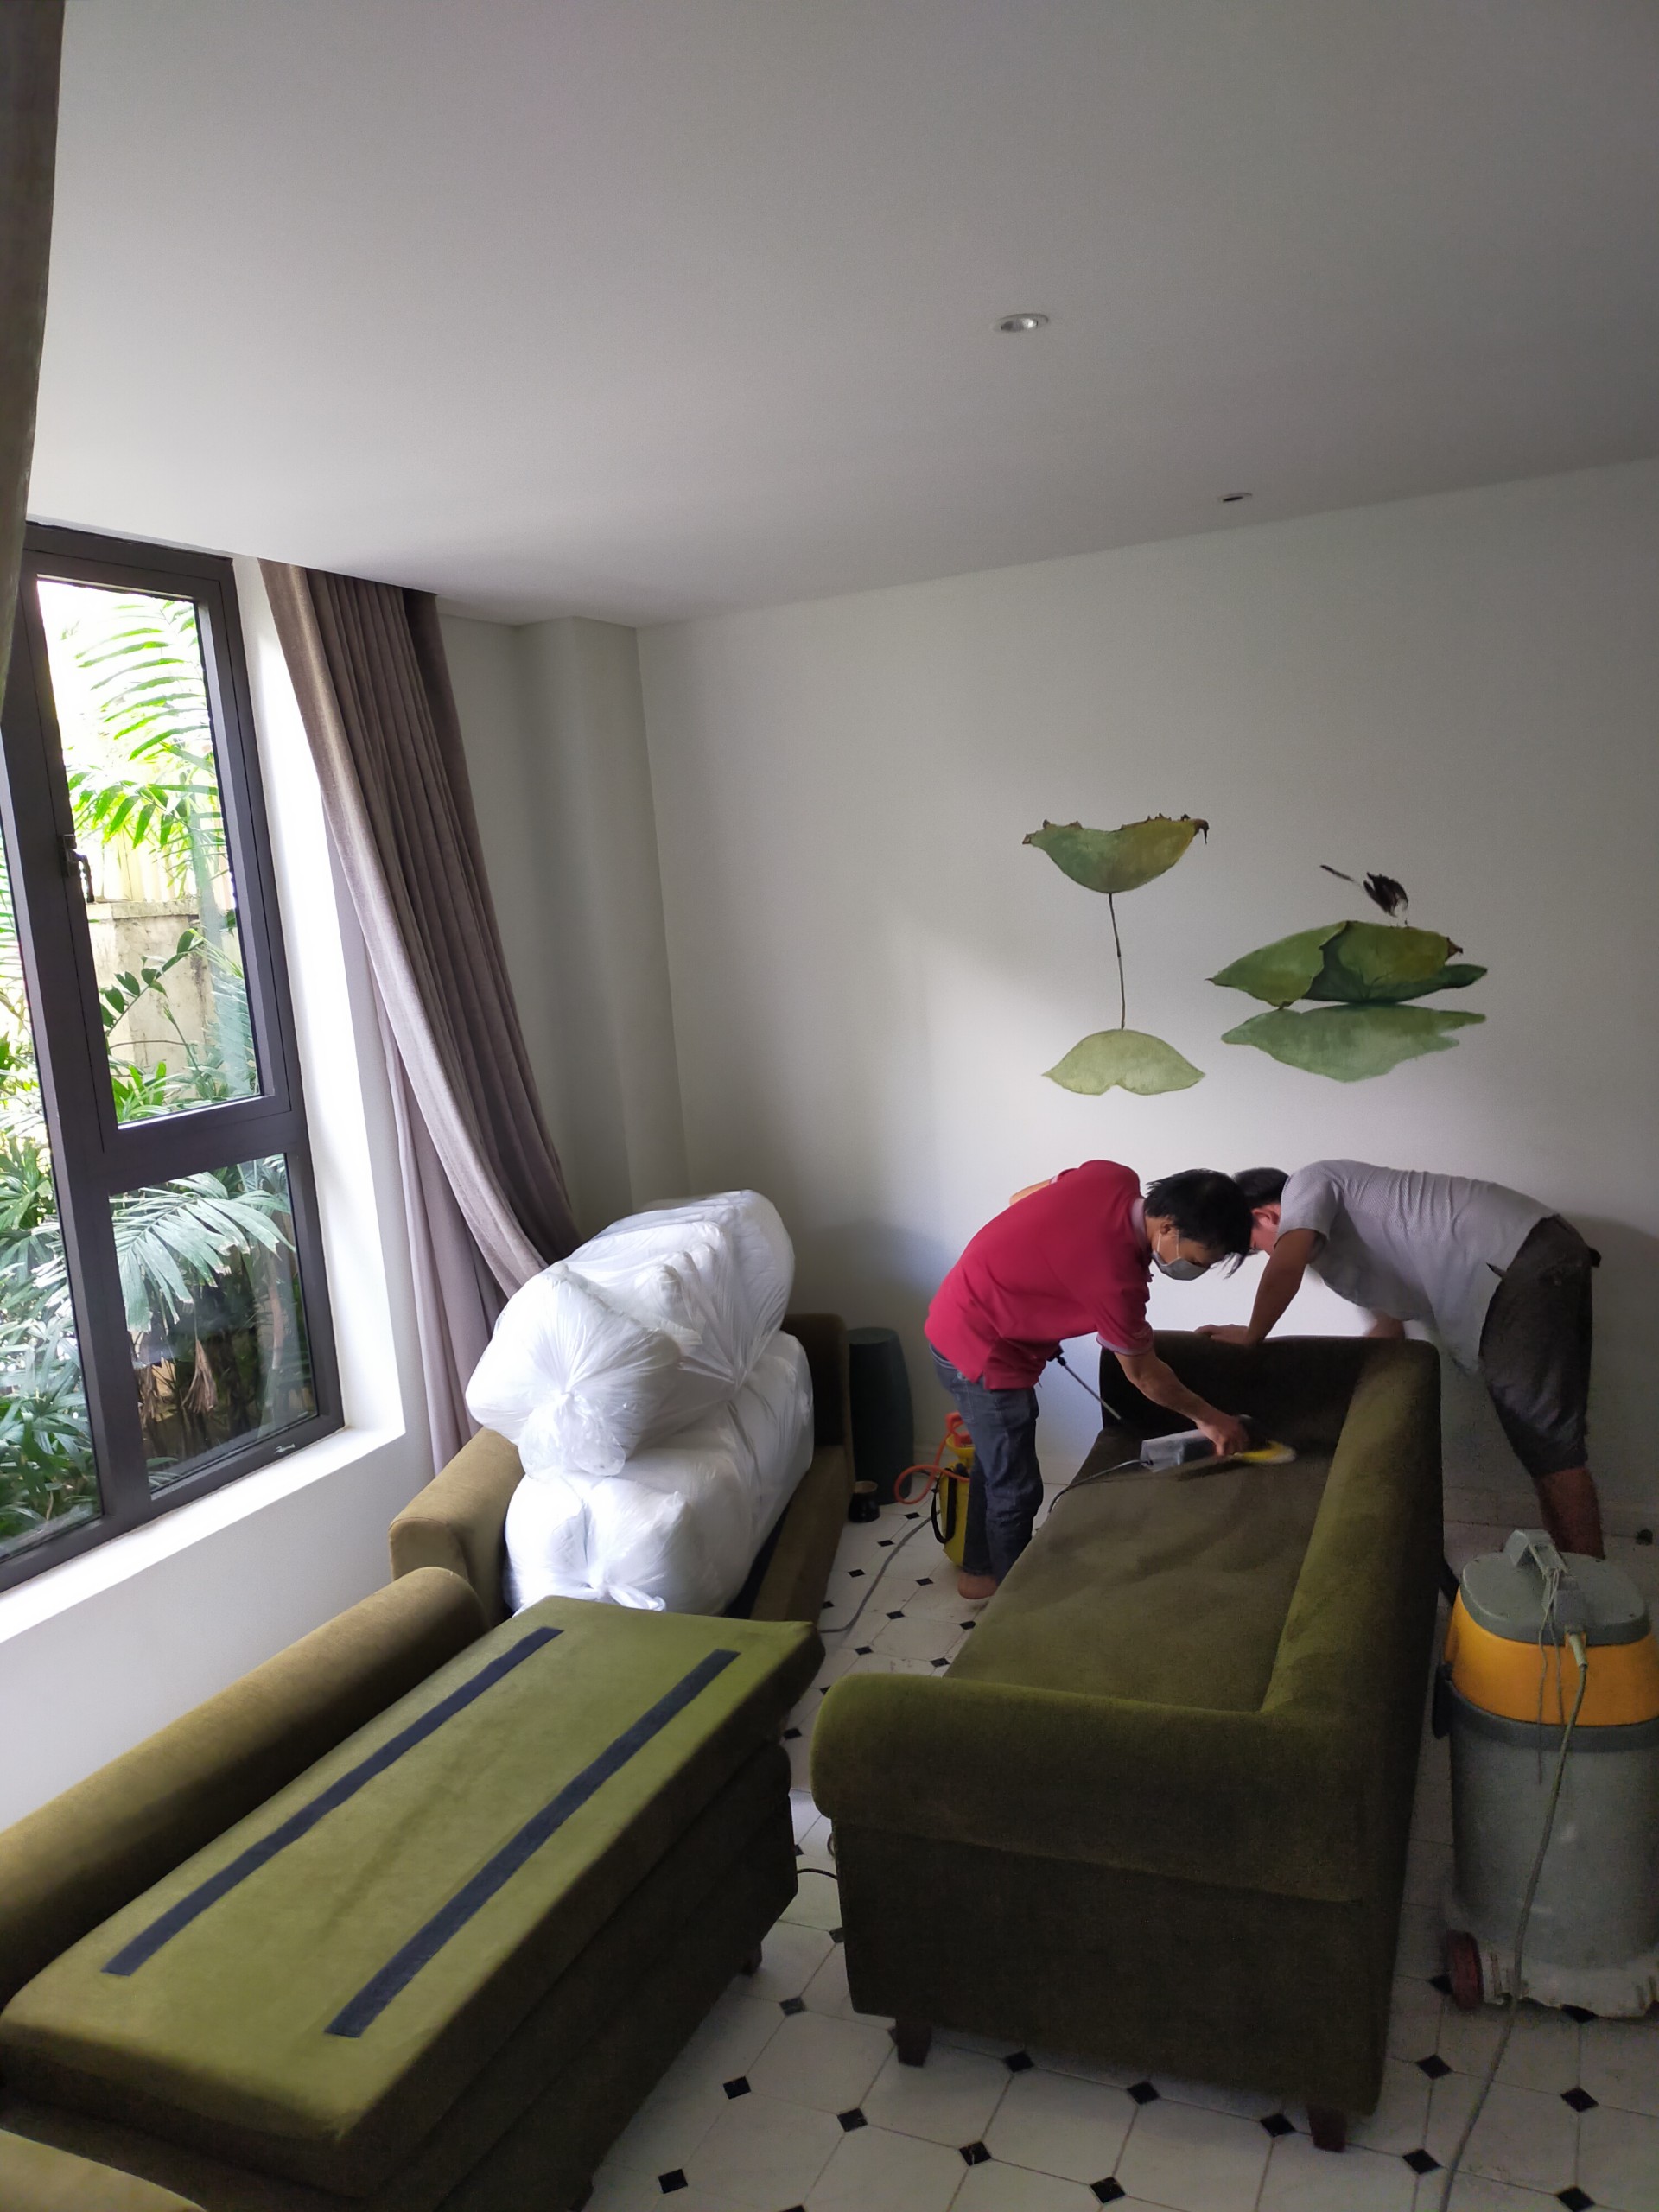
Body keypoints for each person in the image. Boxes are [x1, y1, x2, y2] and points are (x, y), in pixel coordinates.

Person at [1202, 1162, 1604, 1558]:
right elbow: (1389, 1329)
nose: (1266, 1253)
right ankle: (1573, 1567)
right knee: (1544, 1443)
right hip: (1533, 1253)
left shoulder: (1308, 1183)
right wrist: (1331, 1402)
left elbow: (1285, 1267)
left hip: (1518, 1256)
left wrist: (1252, 1335)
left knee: (1548, 1445)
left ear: (1266, 1216)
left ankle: (1590, 1585)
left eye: (1256, 1246)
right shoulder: (1340, 1259)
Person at [925, 1162, 1255, 1599]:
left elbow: (1021, 1201)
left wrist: (1038, 1287)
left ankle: (979, 1573)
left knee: (997, 1460)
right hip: (980, 1350)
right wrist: (1210, 1419)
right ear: (1168, 1227)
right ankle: (1014, 1611)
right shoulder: (1116, 1282)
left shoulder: (1110, 1176)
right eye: (1196, 1261)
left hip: (958, 1313)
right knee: (1017, 1489)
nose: (1195, 1270)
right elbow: (1144, 1374)